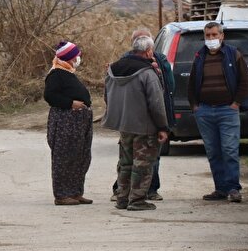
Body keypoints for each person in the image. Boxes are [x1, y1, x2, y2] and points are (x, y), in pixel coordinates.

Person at [102, 36, 169, 211]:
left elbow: (107, 95)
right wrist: (162, 126)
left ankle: (122, 198)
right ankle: (137, 200)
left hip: (124, 125)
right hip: (145, 127)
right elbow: (156, 102)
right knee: (143, 164)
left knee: (125, 163)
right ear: (148, 51)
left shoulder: (113, 69)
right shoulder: (148, 73)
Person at [188, 21, 248, 203]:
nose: (211, 39)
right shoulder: (199, 56)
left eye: (214, 35)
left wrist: (236, 103)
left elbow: (246, 81)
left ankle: (233, 188)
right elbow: (192, 84)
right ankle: (220, 189)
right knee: (213, 151)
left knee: (230, 150)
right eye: (208, 36)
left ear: (221, 36)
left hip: (228, 110)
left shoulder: (233, 54)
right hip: (205, 111)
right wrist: (195, 106)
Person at [43, 41, 93, 206]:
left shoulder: (68, 72)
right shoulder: (56, 74)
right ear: (69, 57)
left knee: (80, 156)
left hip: (79, 120)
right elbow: (50, 96)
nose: (78, 58)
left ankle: (75, 192)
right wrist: (71, 103)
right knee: (64, 157)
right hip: (66, 121)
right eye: (76, 56)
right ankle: (62, 195)